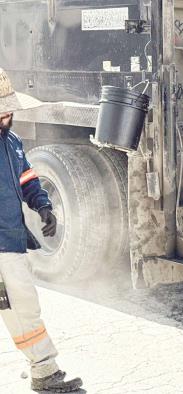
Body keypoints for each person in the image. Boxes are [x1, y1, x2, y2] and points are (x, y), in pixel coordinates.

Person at [0, 69, 83, 392]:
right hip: (3, 246)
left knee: (20, 307)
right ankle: (44, 372)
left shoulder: (14, 142)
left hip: (12, 240)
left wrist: (43, 206)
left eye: (8, 108)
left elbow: (27, 180)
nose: (6, 114)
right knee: (22, 306)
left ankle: (43, 370)